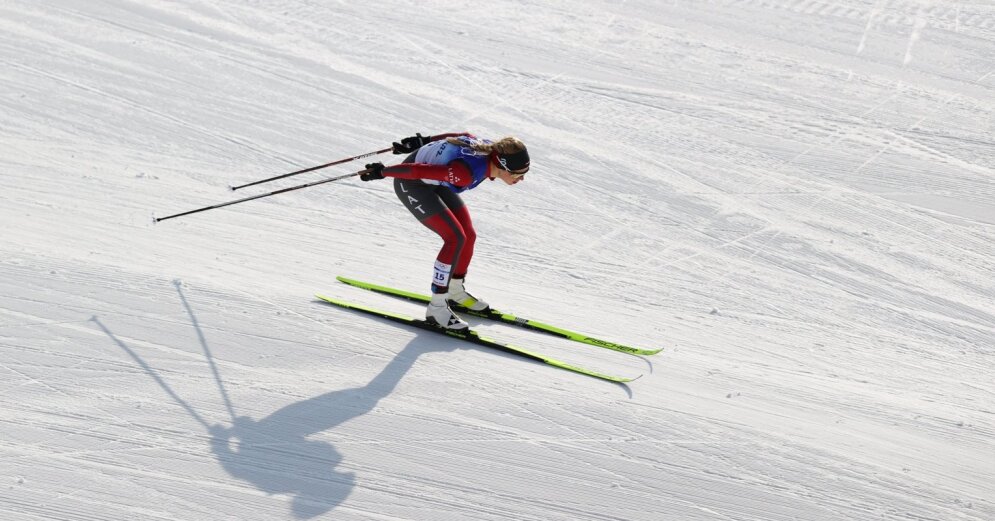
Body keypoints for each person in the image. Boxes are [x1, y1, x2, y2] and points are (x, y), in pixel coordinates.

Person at [359, 132, 530, 330]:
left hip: (437, 178)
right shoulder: (465, 173)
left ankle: (455, 291)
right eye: (518, 174)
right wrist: (383, 172)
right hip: (412, 182)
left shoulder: (493, 149)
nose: (522, 178)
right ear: (502, 166)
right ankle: (437, 308)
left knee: (469, 236)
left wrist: (423, 141)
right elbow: (416, 171)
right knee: (454, 238)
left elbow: (462, 135)